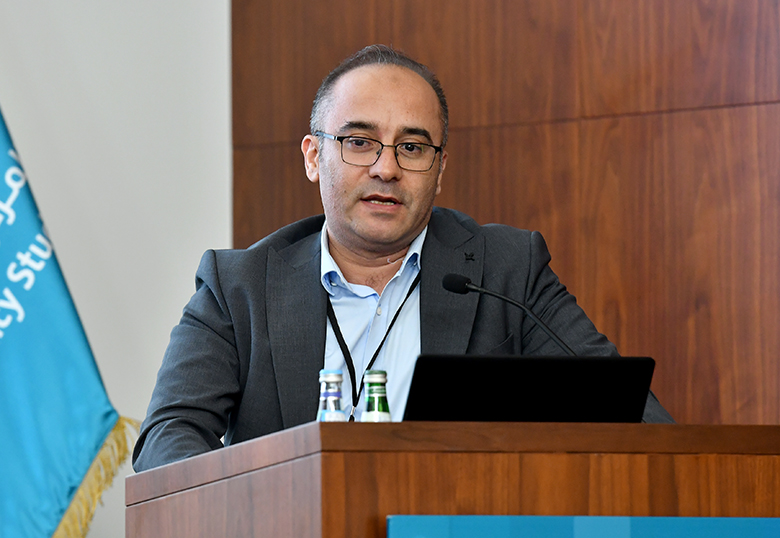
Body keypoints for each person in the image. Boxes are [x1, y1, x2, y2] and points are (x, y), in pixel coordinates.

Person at [132, 45, 673, 472]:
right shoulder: (239, 287)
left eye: (411, 148)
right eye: (359, 141)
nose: (386, 168)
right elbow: (169, 435)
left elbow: (633, 417)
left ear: (439, 169)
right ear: (314, 157)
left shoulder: (507, 270)